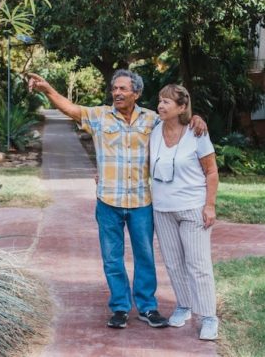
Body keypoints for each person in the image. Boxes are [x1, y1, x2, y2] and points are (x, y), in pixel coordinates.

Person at [27, 70, 206, 330]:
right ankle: (120, 307)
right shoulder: (100, 116)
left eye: (123, 89)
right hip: (108, 201)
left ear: (136, 93)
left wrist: (196, 118)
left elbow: (177, 122)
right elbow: (71, 109)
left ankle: (147, 307)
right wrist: (48, 90)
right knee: (112, 258)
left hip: (141, 202)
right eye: (114, 89)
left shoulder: (152, 120)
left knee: (144, 256)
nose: (117, 93)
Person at [150, 84, 219, 340]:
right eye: (159, 101)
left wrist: (209, 205)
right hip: (162, 209)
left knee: (198, 264)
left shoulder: (196, 132)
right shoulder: (153, 130)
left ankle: (208, 316)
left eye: (167, 102)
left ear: (181, 107)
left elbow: (211, 171)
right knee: (174, 263)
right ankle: (184, 306)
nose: (160, 105)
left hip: (192, 208)